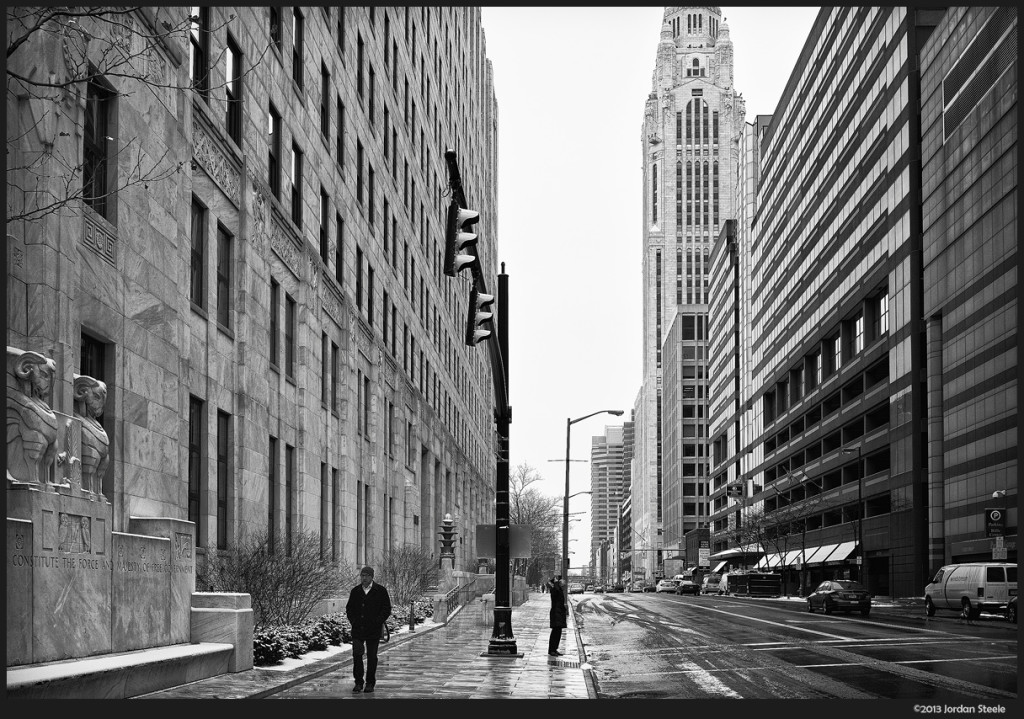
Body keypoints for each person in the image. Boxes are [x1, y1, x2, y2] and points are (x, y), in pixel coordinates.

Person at [345, 566, 392, 693]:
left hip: (373, 630)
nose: (364, 578)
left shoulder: (380, 591)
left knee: (372, 657)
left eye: (366, 575)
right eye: (362, 575)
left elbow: (386, 608)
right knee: (357, 655)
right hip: (358, 629)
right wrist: (353, 621)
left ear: (372, 577)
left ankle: (370, 683)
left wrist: (378, 621)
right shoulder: (355, 591)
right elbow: (349, 609)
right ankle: (358, 682)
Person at [547, 575, 567, 656]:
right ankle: (552, 650)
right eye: (562, 581)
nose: (564, 583)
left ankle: (554, 649)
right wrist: (555, 582)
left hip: (559, 613)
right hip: (556, 613)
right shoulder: (555, 590)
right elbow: (555, 591)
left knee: (558, 632)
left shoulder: (559, 590)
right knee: (555, 632)